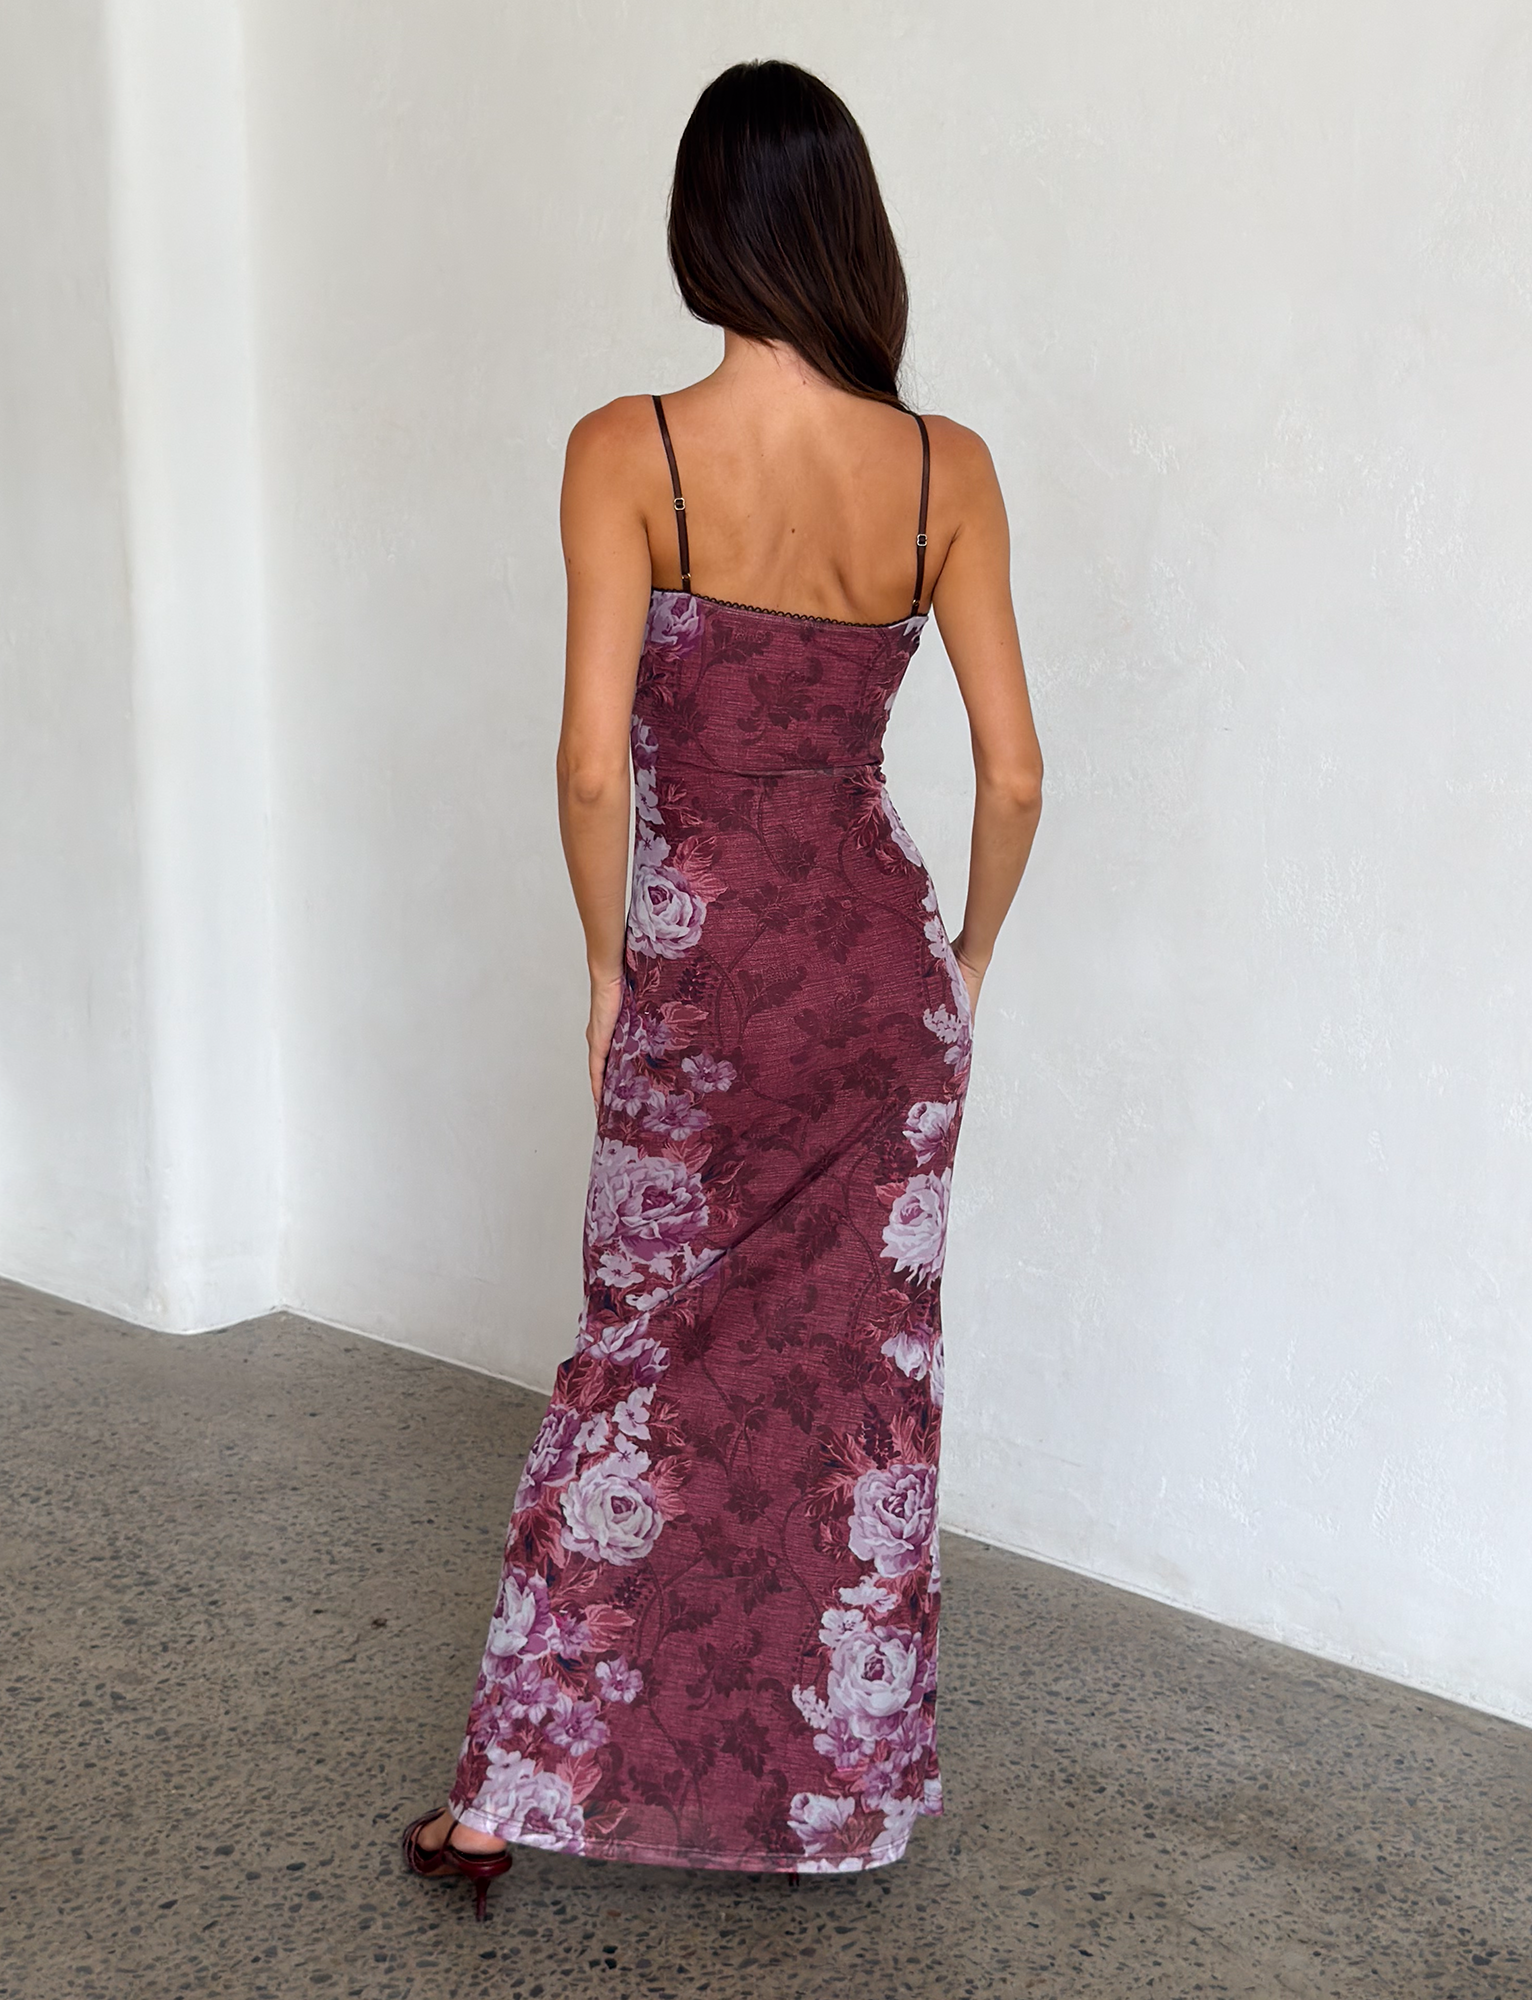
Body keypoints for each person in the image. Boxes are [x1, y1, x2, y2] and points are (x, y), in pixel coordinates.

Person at [403, 57, 1042, 1917]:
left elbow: (592, 766)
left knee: (638, 1376)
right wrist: (970, 958)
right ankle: (832, 1805)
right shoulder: (947, 471)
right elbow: (1010, 774)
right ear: (849, 227)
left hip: (704, 976)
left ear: (705, 224)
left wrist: (609, 966)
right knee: (855, 1397)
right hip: (878, 983)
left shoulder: (633, 450)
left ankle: (506, 1801)